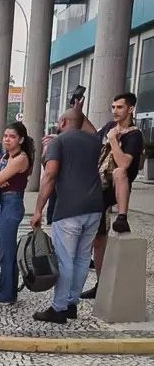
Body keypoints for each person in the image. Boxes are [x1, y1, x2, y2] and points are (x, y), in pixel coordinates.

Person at [30, 109, 104, 324]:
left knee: (65, 259)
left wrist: (38, 210)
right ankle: (72, 304)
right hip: (94, 206)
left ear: (62, 121)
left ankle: (59, 308)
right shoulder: (94, 141)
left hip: (69, 208)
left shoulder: (58, 142)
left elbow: (51, 174)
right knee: (82, 258)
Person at [76, 93, 142, 299]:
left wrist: (113, 140)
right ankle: (101, 284)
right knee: (99, 239)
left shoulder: (134, 135)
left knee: (119, 172)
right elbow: (92, 133)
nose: (115, 111)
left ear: (130, 109)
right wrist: (79, 113)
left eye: (120, 107)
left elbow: (124, 163)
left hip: (116, 184)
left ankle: (122, 216)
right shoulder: (108, 127)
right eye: (113, 107)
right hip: (99, 186)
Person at [0, 122, 34, 305]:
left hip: (12, 203)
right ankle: (7, 289)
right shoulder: (7, 156)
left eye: (11, 136)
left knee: (7, 251)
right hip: (4, 202)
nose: (7, 140)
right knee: (7, 249)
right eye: (5, 136)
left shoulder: (20, 158)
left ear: (20, 139)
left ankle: (5, 292)